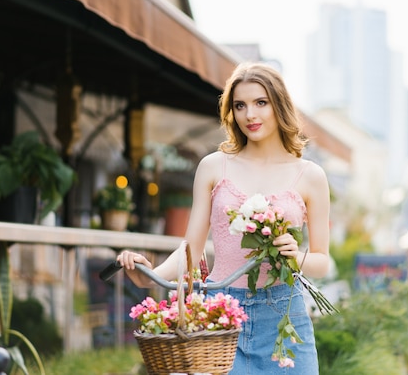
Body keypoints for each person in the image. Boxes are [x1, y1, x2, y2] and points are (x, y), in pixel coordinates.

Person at [117, 62, 332, 374]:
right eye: (240, 105)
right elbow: (190, 250)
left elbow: (322, 261)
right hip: (221, 318)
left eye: (261, 103)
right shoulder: (214, 167)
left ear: (280, 105)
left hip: (285, 319)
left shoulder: (310, 175)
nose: (250, 115)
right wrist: (149, 275)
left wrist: (294, 256)